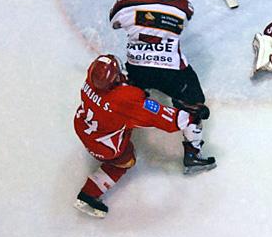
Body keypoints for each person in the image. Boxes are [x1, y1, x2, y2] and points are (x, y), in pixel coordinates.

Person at [73, 54, 211, 218]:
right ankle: (89, 194)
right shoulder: (124, 100)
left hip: (83, 126)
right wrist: (191, 115)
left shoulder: (91, 80)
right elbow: (161, 117)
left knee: (120, 118)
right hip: (106, 145)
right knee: (125, 160)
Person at [109, 0, 216, 172]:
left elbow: (113, 22)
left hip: (137, 68)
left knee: (128, 100)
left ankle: (118, 138)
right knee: (195, 103)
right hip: (171, 73)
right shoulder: (184, 7)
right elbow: (184, 22)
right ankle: (193, 153)